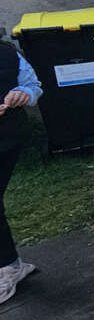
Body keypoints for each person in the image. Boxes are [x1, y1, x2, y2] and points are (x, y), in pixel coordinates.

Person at [0, 39, 42, 305]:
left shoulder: (7, 54)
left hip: (6, 139)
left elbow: (33, 87)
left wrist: (22, 94)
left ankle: (10, 267)